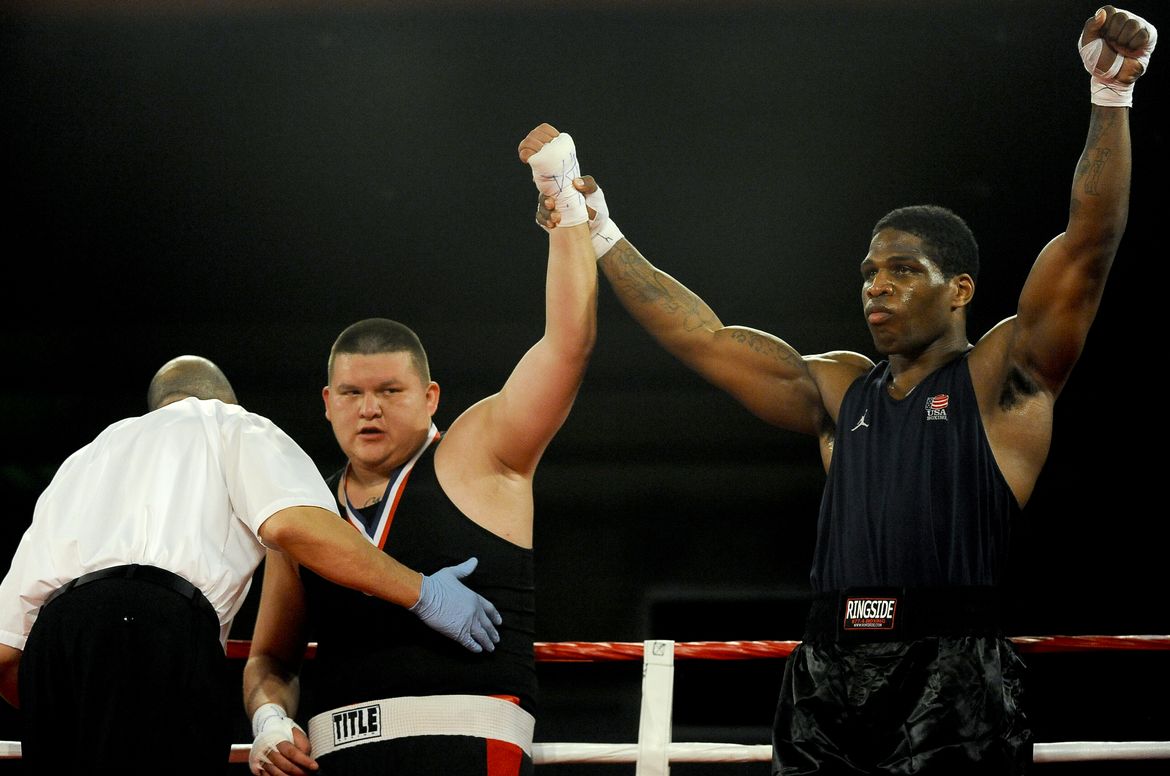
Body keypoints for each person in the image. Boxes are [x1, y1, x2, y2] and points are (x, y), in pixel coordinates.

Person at [534, 6, 1156, 774]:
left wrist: (1111, 94)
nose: (877, 289)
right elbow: (704, 337)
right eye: (868, 273)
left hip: (952, 672)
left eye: (902, 271)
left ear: (959, 288)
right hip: (826, 671)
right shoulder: (837, 390)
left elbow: (1088, 247)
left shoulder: (1004, 377)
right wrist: (599, 231)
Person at [241, 123, 597, 776]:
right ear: (326, 403)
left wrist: (562, 200)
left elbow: (566, 344)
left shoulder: (477, 455)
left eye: (389, 391)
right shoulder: (304, 510)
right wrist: (268, 719)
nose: (369, 408)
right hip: (336, 758)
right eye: (351, 393)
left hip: (464, 749)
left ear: (431, 396)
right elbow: (271, 659)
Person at [0, 354, 501, 776]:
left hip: (52, 657)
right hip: (153, 632)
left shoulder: (83, 461)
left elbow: (6, 646)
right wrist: (421, 592)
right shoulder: (231, 424)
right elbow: (293, 525)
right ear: (223, 398)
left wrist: (84, 694)